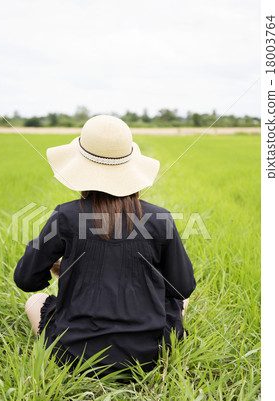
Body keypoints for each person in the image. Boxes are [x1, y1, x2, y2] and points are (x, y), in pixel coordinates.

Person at [13, 115, 196, 381]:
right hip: (148, 354)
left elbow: (26, 280)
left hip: (74, 355)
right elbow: (183, 287)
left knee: (35, 302)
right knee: (183, 302)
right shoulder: (160, 218)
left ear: (80, 166)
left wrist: (64, 269)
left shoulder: (65, 217)